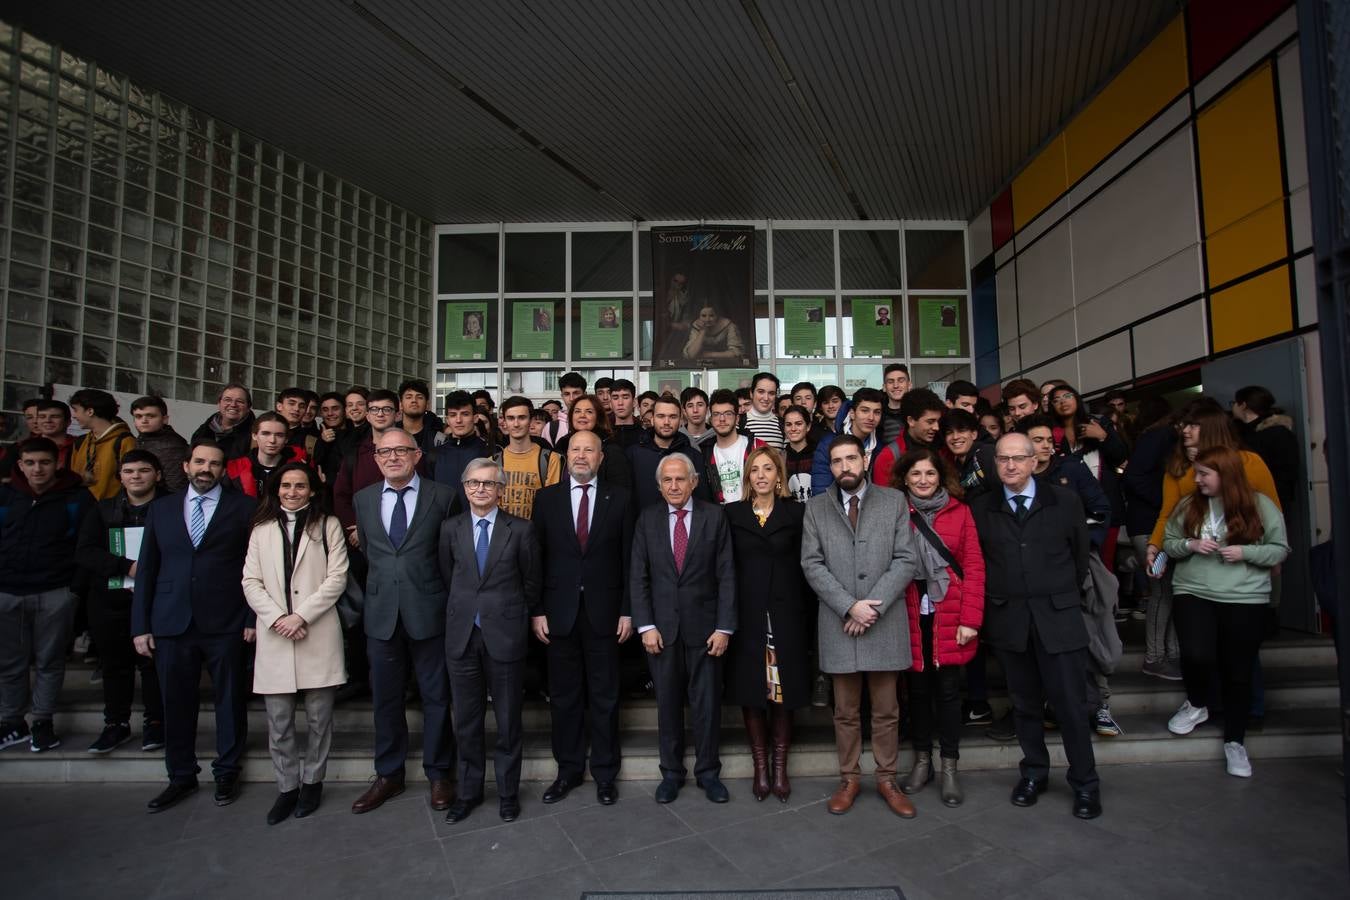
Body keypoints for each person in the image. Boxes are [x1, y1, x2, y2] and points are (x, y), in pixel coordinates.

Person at [970, 433, 1101, 820]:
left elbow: (1079, 558)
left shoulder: (1064, 501)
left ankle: (1086, 783)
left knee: (1071, 707)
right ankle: (1035, 773)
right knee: (1024, 705)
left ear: (1034, 461)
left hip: (1058, 618)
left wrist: (1056, 593)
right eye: (1003, 459)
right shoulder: (981, 508)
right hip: (1010, 620)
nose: (1010, 465)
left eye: (1018, 458)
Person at [131, 439, 255, 812]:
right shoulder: (162, 508)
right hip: (171, 620)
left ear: (223, 469)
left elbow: (255, 567)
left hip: (227, 619)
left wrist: (251, 618)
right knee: (176, 701)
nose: (206, 469)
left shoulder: (244, 507)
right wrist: (141, 625)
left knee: (230, 700)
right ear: (185, 466)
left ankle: (226, 771)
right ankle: (180, 776)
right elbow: (148, 567)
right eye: (199, 462)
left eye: (214, 463)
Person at [801, 435, 918, 818]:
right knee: (845, 711)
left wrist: (871, 609)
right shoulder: (816, 508)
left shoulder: (894, 501)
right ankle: (849, 778)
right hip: (839, 622)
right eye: (837, 461)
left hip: (883, 621)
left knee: (887, 710)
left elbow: (905, 560)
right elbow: (811, 564)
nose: (844, 467)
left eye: (851, 458)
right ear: (830, 467)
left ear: (864, 459)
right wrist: (850, 606)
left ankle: (887, 778)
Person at [1162, 446, 1288, 777]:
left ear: (1226, 475)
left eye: (1204, 473)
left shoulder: (1260, 505)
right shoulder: (1190, 505)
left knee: (1238, 671)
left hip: (1245, 596)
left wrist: (1246, 552)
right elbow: (1170, 542)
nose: (1197, 479)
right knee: (1196, 654)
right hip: (1192, 589)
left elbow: (1279, 549)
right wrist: (1189, 545)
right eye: (1197, 472)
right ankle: (1197, 702)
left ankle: (1235, 741)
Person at [350, 428, 457, 815]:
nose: (392, 457)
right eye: (384, 452)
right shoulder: (362, 500)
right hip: (381, 615)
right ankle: (389, 774)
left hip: (430, 611)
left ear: (416, 455)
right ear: (376, 458)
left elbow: (451, 556)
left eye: (400, 450)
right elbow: (371, 554)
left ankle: (440, 772)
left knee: (436, 697)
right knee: (386, 699)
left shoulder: (443, 497)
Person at [531, 430, 636, 806]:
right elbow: (536, 559)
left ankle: (606, 774)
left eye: (588, 450)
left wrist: (627, 609)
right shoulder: (545, 500)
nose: (581, 455)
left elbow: (629, 560)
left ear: (600, 458)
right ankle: (569, 770)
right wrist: (537, 610)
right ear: (565, 455)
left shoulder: (621, 499)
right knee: (564, 697)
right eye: (574, 449)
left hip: (606, 615)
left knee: (606, 697)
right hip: (558, 616)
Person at [241, 463, 349, 824]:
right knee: (280, 721)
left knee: (320, 719)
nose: (292, 491)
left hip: (315, 630)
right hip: (275, 634)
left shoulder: (328, 525)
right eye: (286, 485)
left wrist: (300, 616)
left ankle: (313, 782)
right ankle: (287, 787)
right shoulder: (261, 529)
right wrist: (277, 619)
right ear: (276, 489)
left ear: (312, 489)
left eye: (299, 485)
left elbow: (337, 578)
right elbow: (250, 581)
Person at [438, 458, 542, 824]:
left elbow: (531, 582)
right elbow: (449, 576)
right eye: (473, 483)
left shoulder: (522, 530)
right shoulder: (450, 529)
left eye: (488, 484)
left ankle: (508, 793)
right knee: (466, 721)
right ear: (464, 488)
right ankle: (468, 792)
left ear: (501, 490)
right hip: (463, 635)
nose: (480, 489)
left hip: (505, 635)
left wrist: (511, 615)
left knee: (509, 721)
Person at [631, 453, 736, 803]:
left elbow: (726, 575)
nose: (674, 486)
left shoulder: (714, 516)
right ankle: (671, 774)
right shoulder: (646, 519)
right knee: (668, 705)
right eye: (667, 481)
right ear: (659, 486)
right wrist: (645, 625)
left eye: (680, 479)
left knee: (707, 704)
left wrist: (724, 627)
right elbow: (639, 577)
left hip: (706, 630)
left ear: (693, 482)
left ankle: (708, 773)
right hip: (661, 630)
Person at [893, 449, 984, 807]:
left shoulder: (960, 512)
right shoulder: (897, 511)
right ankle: (921, 761)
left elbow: (974, 566)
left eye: (929, 474)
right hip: (909, 610)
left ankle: (949, 766)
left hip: (951, 611)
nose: (923, 481)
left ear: (940, 476)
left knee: (947, 693)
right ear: (905, 477)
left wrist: (970, 621)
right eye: (915, 474)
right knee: (916, 693)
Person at [725, 448, 812, 801]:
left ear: (779, 476)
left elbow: (808, 566)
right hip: (747, 617)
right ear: (747, 477)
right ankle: (760, 766)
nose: (761, 475)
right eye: (754, 470)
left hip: (786, 615)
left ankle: (780, 768)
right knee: (752, 692)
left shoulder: (798, 512)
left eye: (768, 469)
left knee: (782, 692)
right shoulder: (731, 514)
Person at [0, 437, 97, 752]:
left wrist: (74, 590)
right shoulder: (5, 496)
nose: (37, 469)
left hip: (56, 591)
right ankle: (12, 721)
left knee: (50, 660)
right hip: (8, 590)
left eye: (44, 462)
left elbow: (87, 546)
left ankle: (42, 720)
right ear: (20, 465)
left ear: (58, 463)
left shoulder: (78, 499)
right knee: (10, 662)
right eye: (30, 463)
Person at [76, 450, 167, 754]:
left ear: (158, 474)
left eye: (143, 470)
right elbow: (86, 551)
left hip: (157, 600)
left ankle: (156, 723)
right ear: (120, 477)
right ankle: (116, 723)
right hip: (110, 600)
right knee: (115, 666)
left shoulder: (171, 508)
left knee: (153, 664)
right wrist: (125, 566)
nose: (136, 476)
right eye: (129, 471)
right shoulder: (102, 509)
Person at [1121, 396, 1180, 680]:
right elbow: (1133, 477)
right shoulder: (1160, 437)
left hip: (1153, 524)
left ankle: (1170, 653)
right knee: (1162, 592)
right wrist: (1167, 504)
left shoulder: (1155, 436)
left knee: (1168, 591)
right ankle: (1156, 656)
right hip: (1150, 526)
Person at [1047, 383, 1128, 568]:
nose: (1062, 402)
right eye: (1056, 400)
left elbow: (1120, 457)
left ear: (1076, 398)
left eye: (1067, 396)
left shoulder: (1098, 423)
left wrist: (1102, 436)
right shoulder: (1051, 434)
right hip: (1071, 509)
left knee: (1103, 565)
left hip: (1105, 505)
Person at [626, 396, 712, 508]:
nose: (666, 422)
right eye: (661, 416)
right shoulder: (633, 454)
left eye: (672, 417)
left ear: (681, 419)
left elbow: (702, 501)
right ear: (652, 419)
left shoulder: (693, 456)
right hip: (644, 523)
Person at [1231, 385, 1299, 511]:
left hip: (1271, 504)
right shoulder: (1241, 433)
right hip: (1245, 503)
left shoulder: (1278, 433)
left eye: (1234, 402)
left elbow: (1286, 475)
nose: (1232, 406)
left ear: (1243, 405)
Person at [493, 396, 561, 520]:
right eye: (510, 418)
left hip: (535, 533)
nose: (516, 424)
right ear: (504, 422)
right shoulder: (492, 461)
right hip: (501, 533)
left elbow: (552, 505)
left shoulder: (550, 459)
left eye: (522, 417)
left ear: (530, 421)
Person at [810, 387, 884, 495]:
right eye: (865, 411)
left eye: (877, 412)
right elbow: (821, 491)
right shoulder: (829, 444)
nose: (871, 417)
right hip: (835, 509)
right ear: (852, 413)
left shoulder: (880, 448)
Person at [433, 390, 495, 516]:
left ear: (475, 418)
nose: (458, 420)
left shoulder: (491, 452)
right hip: (443, 527)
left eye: (465, 414)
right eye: (453, 415)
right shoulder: (434, 455)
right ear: (447, 420)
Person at [553, 393, 632, 491]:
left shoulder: (611, 449)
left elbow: (620, 491)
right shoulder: (561, 446)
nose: (582, 415)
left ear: (598, 417)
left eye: (589, 412)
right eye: (577, 411)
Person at [70, 388, 136, 500]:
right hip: (81, 507)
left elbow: (132, 480)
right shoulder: (80, 441)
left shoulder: (124, 440)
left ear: (90, 411)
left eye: (76, 410)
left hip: (110, 510)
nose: (73, 415)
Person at [224, 412, 308, 499]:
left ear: (286, 439)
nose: (272, 440)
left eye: (279, 435)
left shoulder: (297, 469)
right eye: (266, 434)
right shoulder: (235, 468)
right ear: (254, 435)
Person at [704, 389, 766, 504]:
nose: (722, 419)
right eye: (716, 414)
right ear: (711, 419)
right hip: (721, 517)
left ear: (737, 418)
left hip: (755, 514)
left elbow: (776, 482)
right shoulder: (705, 453)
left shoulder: (757, 446)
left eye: (728, 413)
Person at [870, 387, 946, 480]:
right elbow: (882, 494)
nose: (936, 427)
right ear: (911, 421)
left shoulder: (944, 449)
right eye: (930, 422)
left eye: (938, 421)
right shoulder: (888, 457)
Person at [131, 396, 189, 493]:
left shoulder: (173, 446)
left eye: (151, 416)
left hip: (160, 504)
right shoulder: (142, 439)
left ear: (165, 419)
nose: (144, 420)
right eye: (138, 416)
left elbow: (175, 487)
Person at [192, 384, 256, 462]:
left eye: (240, 401)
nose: (233, 405)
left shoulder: (255, 437)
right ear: (219, 404)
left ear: (248, 408)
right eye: (227, 400)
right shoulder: (203, 431)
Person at [398, 379, 445, 457]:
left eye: (419, 397)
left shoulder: (438, 439)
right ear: (400, 405)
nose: (414, 400)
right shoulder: (390, 434)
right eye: (409, 397)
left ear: (427, 405)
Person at [741, 372, 786, 451]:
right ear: (751, 393)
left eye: (771, 393)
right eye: (761, 392)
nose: (766, 398)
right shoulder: (739, 423)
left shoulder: (783, 425)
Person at [782, 405, 817, 503]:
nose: (793, 428)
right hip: (789, 514)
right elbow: (778, 486)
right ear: (784, 428)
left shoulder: (819, 455)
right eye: (788, 424)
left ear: (808, 426)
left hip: (815, 513)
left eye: (798, 424)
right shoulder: (780, 458)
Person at [30, 400, 77, 470]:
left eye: (55, 416)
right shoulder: (21, 447)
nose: (48, 420)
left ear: (68, 422)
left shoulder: (81, 445)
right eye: (42, 417)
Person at [879, 363, 912, 445]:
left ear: (909, 385)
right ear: (884, 387)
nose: (896, 385)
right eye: (890, 382)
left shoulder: (919, 412)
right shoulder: (877, 415)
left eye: (901, 381)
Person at [609, 379, 643, 449]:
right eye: (615, 398)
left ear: (634, 402)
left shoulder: (645, 436)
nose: (620, 403)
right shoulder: (603, 436)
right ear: (610, 403)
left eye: (625, 397)